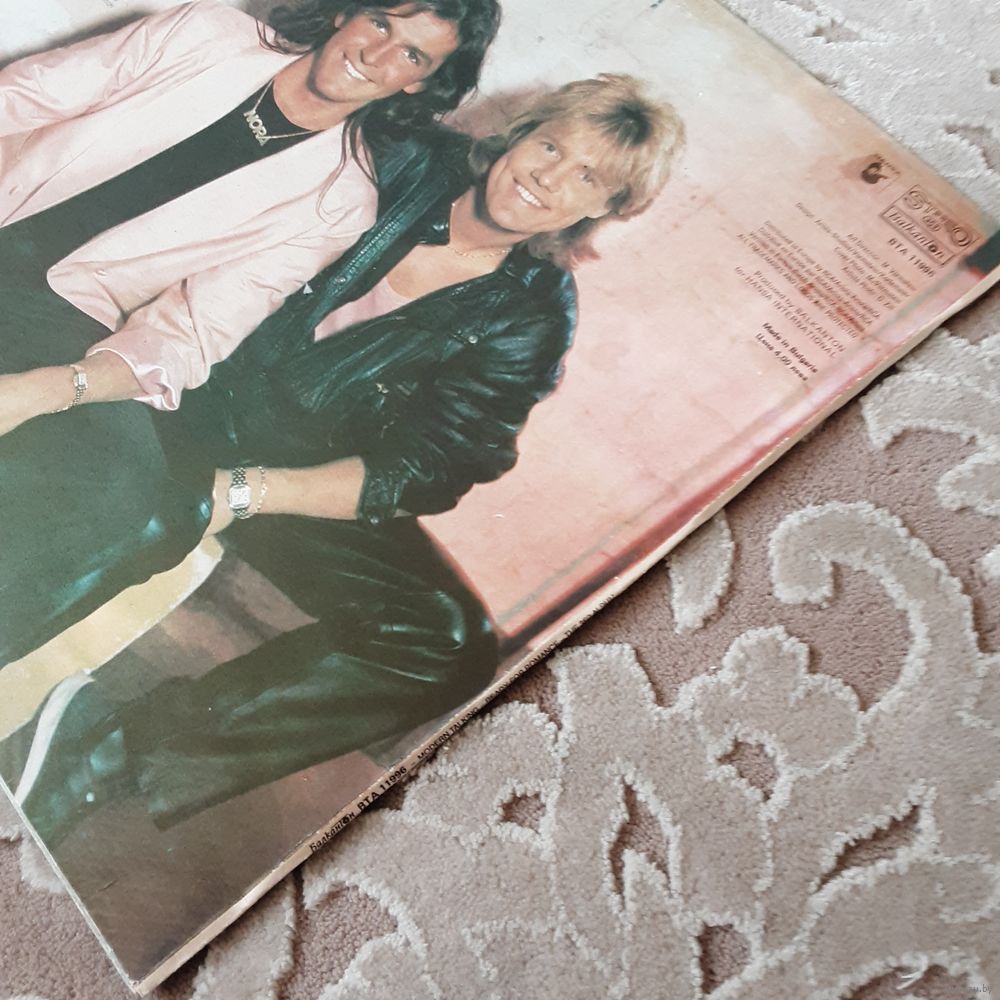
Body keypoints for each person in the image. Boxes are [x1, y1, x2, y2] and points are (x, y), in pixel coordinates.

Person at [13, 75, 686, 847]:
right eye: (551, 146)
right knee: (153, 512)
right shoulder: (399, 159)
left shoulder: (532, 317)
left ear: (604, 209)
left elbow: (433, 463)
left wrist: (242, 492)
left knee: (449, 641)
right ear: (521, 134)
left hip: (292, 468)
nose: (548, 177)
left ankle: (105, 749)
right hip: (185, 381)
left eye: (588, 177)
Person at [0, 0, 501, 660]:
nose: (377, 54)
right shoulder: (208, 33)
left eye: (412, 54)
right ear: (345, 14)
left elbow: (192, 331)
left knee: (119, 483)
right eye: (380, 22)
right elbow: (22, 97)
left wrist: (47, 389)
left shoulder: (339, 202)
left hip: (60, 310)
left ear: (419, 84)